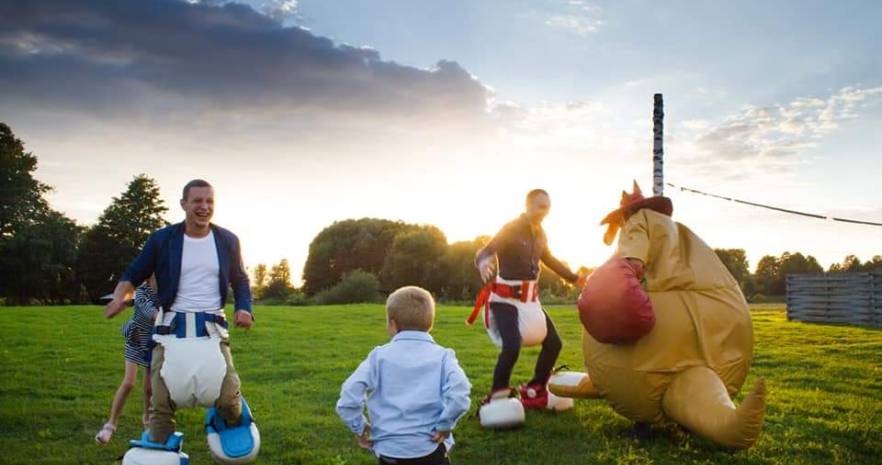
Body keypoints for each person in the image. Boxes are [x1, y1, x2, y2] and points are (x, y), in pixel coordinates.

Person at [104, 179, 254, 444]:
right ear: (184, 204)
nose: (204, 207)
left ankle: (226, 417)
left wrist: (244, 308)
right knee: (161, 404)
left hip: (212, 327)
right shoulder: (163, 240)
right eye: (197, 201)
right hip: (169, 327)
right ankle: (158, 447)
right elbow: (134, 272)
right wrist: (120, 296)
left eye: (209, 201)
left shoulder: (228, 240)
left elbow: (240, 280)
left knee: (229, 401)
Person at [472, 189, 586, 409]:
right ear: (528, 205)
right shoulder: (511, 228)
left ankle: (535, 388)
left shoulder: (541, 234)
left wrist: (575, 279)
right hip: (504, 300)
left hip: (530, 301)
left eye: (548, 206)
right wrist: (483, 261)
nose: (546, 211)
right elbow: (486, 251)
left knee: (554, 343)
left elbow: (550, 260)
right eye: (541, 206)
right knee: (512, 346)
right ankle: (498, 395)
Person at [336, 286, 471, 465]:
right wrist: (445, 425)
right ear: (430, 322)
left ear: (393, 324)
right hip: (430, 448)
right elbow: (460, 395)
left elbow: (348, 398)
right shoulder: (443, 356)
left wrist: (360, 428)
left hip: (389, 452)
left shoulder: (378, 356)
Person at [95, 277, 159, 445]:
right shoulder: (142, 292)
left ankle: (147, 423)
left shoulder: (166, 291)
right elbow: (151, 313)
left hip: (152, 343)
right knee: (129, 383)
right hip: (136, 340)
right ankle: (110, 425)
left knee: (149, 388)